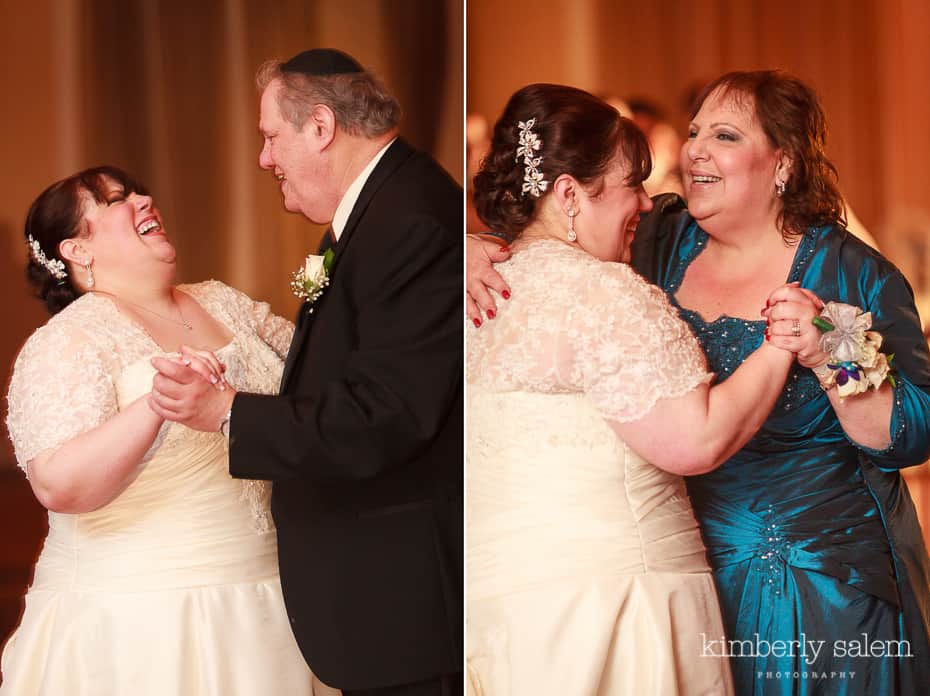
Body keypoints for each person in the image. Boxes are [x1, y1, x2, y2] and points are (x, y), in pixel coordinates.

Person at [468, 71, 930, 695]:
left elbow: (910, 432)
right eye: (693, 133)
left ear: (783, 164)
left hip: (820, 583)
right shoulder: (662, 237)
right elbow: (557, 229)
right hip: (689, 574)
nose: (694, 151)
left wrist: (829, 354)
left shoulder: (851, 269)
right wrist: (462, 249)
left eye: (725, 134)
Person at [149, 49, 463, 695]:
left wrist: (228, 412)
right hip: (370, 589)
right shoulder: (368, 216)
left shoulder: (410, 221)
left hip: (404, 596)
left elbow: (390, 411)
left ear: (320, 127)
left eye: (270, 137)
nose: (264, 159)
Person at [2, 166, 335, 695]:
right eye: (116, 200)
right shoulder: (67, 342)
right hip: (149, 619)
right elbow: (58, 485)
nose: (144, 199)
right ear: (76, 249)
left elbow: (324, 368)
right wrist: (156, 404)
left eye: (138, 191)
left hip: (275, 601)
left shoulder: (222, 300)